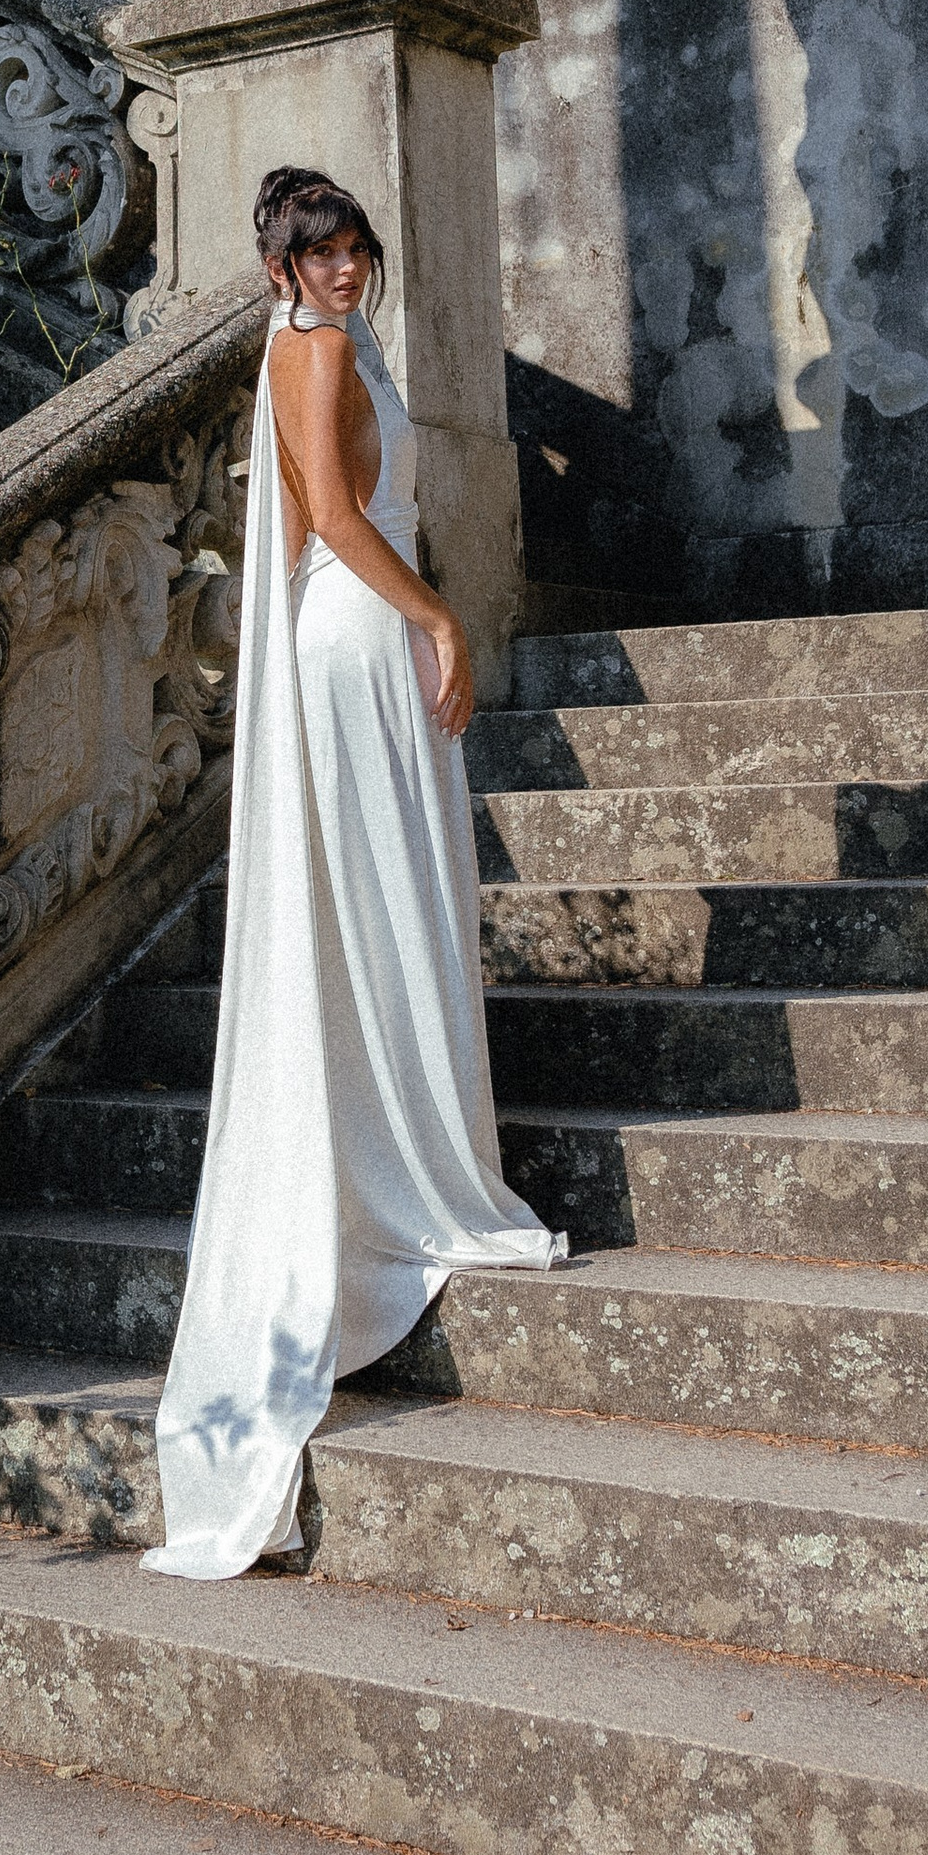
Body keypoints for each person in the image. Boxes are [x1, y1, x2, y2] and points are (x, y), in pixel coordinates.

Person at [144, 165, 565, 1582]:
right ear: (279, 269)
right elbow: (327, 514)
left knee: (399, 902)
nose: (344, 271)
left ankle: (414, 1158)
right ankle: (404, 1174)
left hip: (358, 637)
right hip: (357, 633)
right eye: (319, 254)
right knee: (390, 905)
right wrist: (441, 616)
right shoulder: (313, 352)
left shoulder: (335, 342)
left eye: (355, 249)